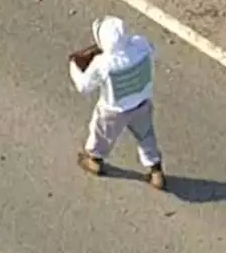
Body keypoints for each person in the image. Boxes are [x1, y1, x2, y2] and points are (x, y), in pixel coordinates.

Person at [70, 16, 166, 189]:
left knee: (101, 134)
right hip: (142, 103)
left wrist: (74, 66)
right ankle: (156, 170)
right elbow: (155, 52)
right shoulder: (141, 45)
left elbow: (84, 86)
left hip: (114, 110)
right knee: (146, 136)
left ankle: (94, 160)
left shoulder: (103, 64)